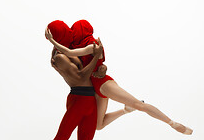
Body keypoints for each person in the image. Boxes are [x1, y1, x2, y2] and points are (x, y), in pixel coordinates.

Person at [45, 20, 193, 134]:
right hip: (95, 88)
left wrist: (51, 40)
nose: (73, 33)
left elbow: (71, 54)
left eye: (75, 31)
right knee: (98, 125)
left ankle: (172, 123)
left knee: (139, 105)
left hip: (103, 83)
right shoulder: (81, 46)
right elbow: (71, 52)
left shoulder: (93, 46)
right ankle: (125, 110)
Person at [26, 20, 103, 140]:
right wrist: (95, 57)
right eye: (65, 30)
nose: (70, 32)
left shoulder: (70, 48)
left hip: (90, 100)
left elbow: (91, 73)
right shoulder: (59, 57)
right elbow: (81, 76)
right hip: (78, 100)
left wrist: (100, 67)